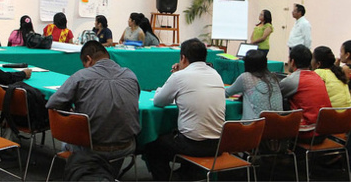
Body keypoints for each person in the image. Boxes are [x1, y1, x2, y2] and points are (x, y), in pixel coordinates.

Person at [45, 41, 140, 171]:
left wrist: (71, 111)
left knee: (66, 142)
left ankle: (81, 175)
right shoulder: (131, 76)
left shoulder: (80, 76)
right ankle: (109, 175)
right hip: (126, 146)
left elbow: (52, 104)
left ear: (88, 59)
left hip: (90, 148)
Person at [144, 38, 225, 181]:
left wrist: (174, 74)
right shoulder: (216, 75)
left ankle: (167, 178)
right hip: (218, 144)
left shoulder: (180, 76)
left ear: (183, 58)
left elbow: (159, 101)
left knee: (152, 145)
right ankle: (184, 175)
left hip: (193, 144)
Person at [280, 45, 331, 132]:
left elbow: (276, 93)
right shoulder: (317, 77)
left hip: (307, 131)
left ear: (292, 61)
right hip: (323, 130)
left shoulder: (294, 80)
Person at [225, 49, 282, 119]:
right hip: (276, 124)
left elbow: (226, 93)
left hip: (254, 126)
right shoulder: (273, 78)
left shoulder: (246, 77)